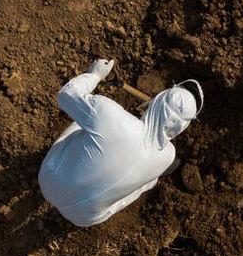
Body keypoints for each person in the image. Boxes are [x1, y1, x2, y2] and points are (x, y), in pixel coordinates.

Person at [38, 59, 203, 227]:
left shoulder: (108, 113)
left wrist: (94, 75)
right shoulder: (168, 155)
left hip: (48, 180)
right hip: (83, 218)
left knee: (82, 124)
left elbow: (67, 95)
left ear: (158, 99)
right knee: (149, 182)